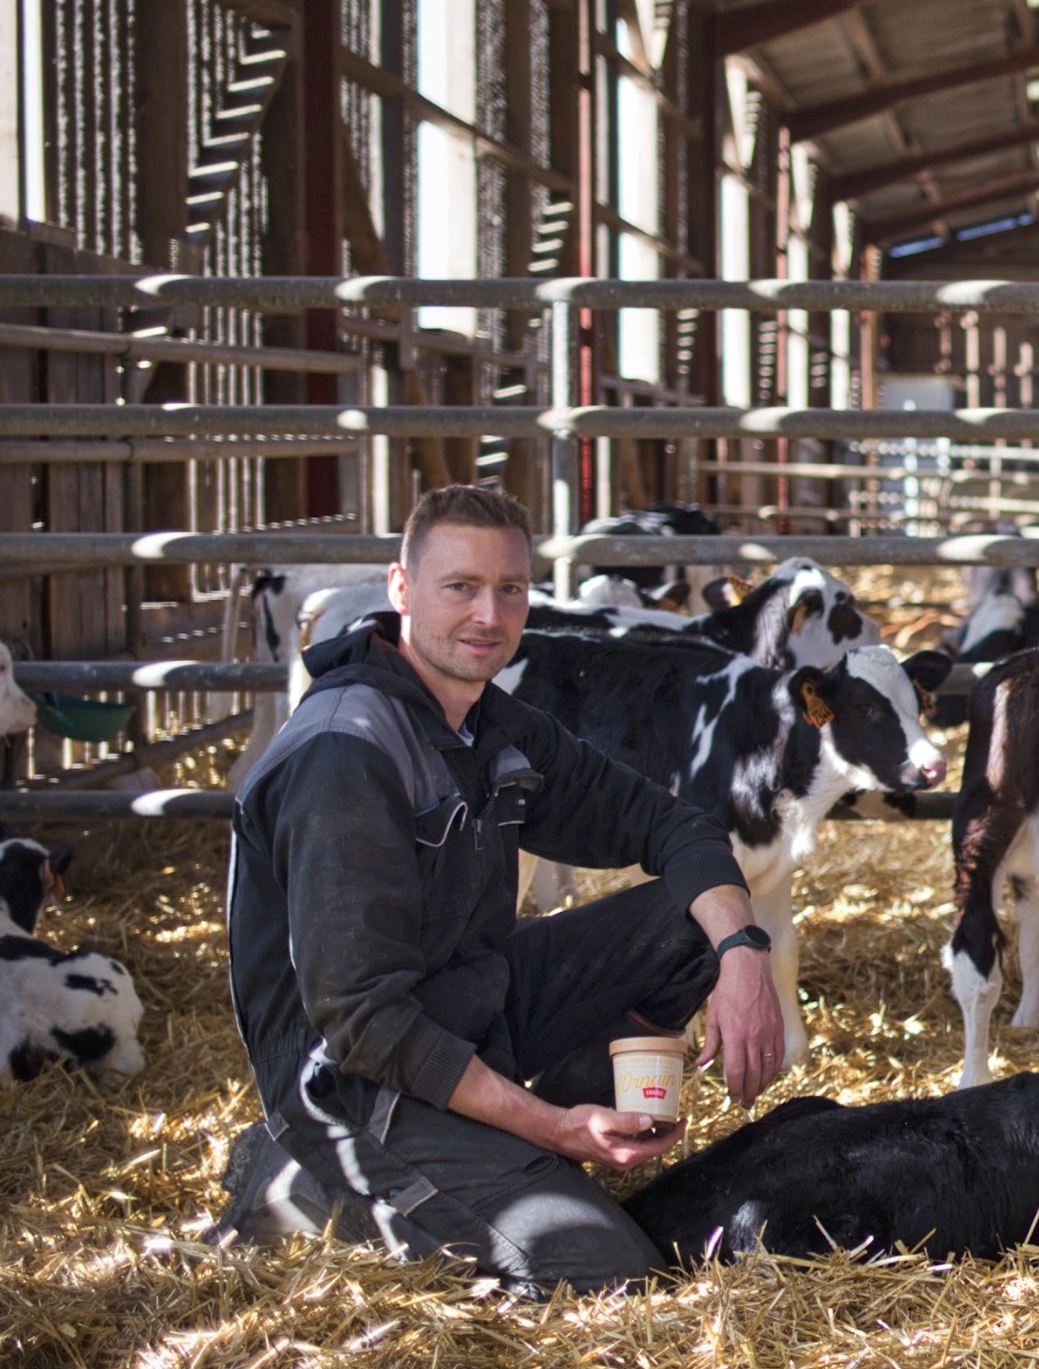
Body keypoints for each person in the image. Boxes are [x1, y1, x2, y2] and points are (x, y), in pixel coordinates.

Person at [214, 485, 786, 1294]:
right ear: (401, 588)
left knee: (691, 920)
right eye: (461, 587)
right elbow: (368, 1024)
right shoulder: (346, 753)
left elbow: (672, 825)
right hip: (355, 1084)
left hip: (470, 1008)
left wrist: (744, 951)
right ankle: (309, 1185)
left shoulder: (487, 724)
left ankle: (534, 1159)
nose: (489, 615)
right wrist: (554, 1126)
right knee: (606, 1275)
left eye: (510, 589)